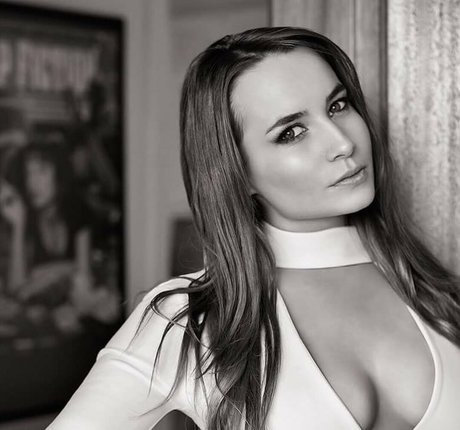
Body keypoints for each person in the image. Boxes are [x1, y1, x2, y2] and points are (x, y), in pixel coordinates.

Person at [46, 27, 460, 430]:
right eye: (291, 133)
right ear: (237, 174)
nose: (342, 143)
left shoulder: (435, 294)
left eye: (337, 106)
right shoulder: (193, 320)